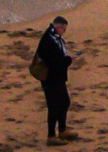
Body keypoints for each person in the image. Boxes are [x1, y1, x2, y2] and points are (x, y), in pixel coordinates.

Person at [34, 16, 81, 144]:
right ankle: (51, 136)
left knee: (64, 102)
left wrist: (67, 59)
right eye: (64, 29)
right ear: (58, 27)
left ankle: (62, 130)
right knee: (54, 106)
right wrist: (69, 59)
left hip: (57, 77)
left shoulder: (54, 37)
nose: (64, 32)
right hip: (50, 78)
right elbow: (54, 62)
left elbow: (58, 58)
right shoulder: (48, 40)